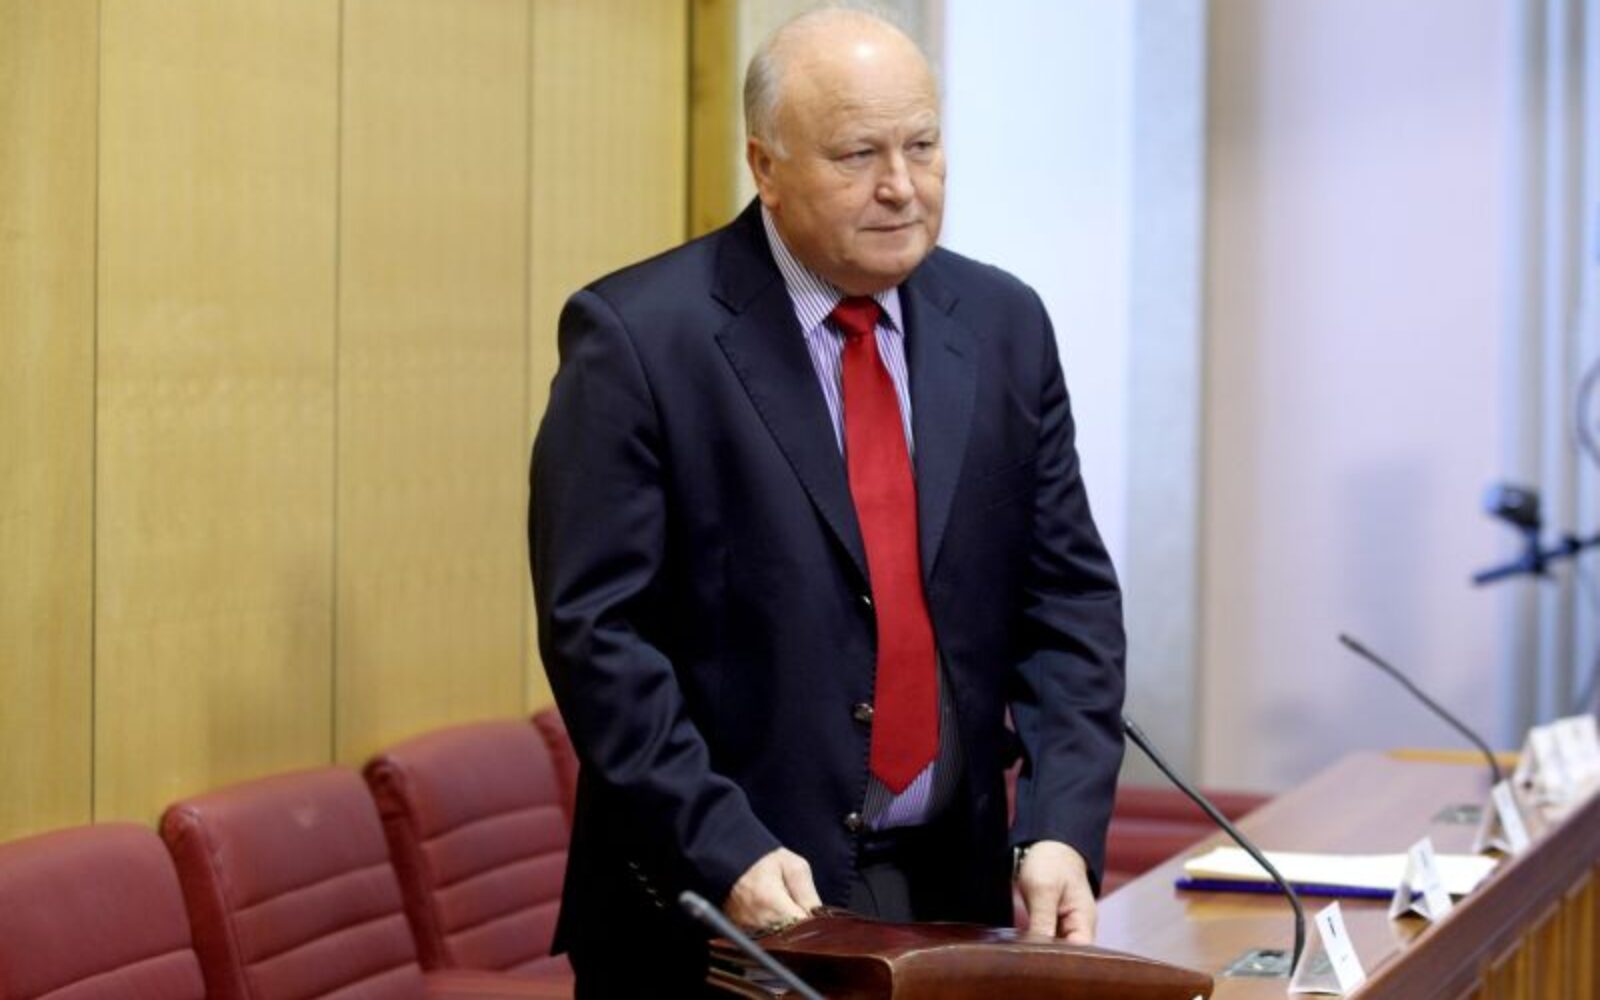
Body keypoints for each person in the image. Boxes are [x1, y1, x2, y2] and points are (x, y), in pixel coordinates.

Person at [529, 8, 1125, 996]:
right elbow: (598, 636)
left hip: (951, 887)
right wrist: (721, 844)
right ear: (765, 167)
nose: (900, 186)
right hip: (726, 904)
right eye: (858, 155)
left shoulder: (1004, 324)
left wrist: (1061, 823)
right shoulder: (639, 339)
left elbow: (1067, 602)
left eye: (921, 146)